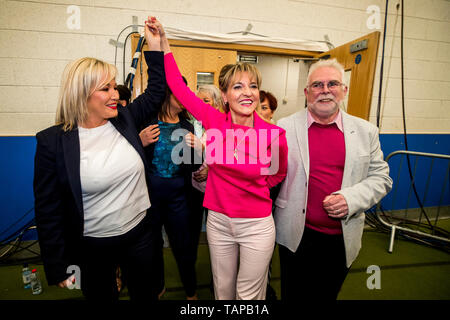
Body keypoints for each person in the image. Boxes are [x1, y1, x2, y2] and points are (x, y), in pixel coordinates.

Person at [150, 18, 288, 300]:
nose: (247, 92)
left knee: (248, 294)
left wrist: (252, 189)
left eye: (252, 86)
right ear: (225, 95)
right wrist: (164, 43)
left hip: (256, 225)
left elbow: (278, 174)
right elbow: (178, 86)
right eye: (237, 87)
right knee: (223, 290)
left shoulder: (274, 134)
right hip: (219, 222)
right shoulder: (214, 121)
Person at [33, 17, 165, 301]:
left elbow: (156, 92)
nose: (115, 95)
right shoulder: (52, 142)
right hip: (93, 246)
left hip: (140, 233)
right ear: (82, 94)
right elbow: (48, 210)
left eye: (114, 87)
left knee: (146, 295)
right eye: (106, 89)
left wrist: (154, 47)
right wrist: (58, 267)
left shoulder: (125, 120)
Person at [274, 58, 393, 301]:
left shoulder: (365, 131)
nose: (325, 90)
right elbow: (267, 173)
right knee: (293, 294)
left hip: (342, 237)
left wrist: (351, 199)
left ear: (344, 90)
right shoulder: (284, 127)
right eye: (317, 85)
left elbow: (381, 177)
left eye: (332, 84)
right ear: (307, 92)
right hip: (295, 235)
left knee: (326, 295)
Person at [139, 77, 201, 300]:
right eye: (180, 93)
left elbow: (193, 165)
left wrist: (198, 151)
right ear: (167, 94)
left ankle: (191, 292)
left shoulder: (187, 125)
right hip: (150, 197)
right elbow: (131, 157)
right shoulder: (146, 121)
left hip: (179, 198)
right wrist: (139, 141)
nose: (185, 98)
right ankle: (158, 287)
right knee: (152, 247)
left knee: (183, 247)